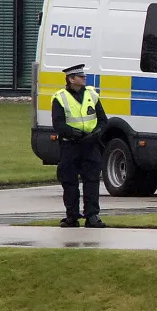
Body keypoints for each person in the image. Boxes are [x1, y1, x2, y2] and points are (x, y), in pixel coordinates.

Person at [51, 64, 108, 228]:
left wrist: (97, 133)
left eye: (83, 76)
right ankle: (72, 216)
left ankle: (92, 216)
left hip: (91, 145)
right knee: (69, 182)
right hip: (71, 145)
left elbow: (103, 120)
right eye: (80, 76)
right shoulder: (60, 98)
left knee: (92, 181)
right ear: (71, 79)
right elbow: (58, 124)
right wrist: (75, 134)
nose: (84, 78)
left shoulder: (92, 94)